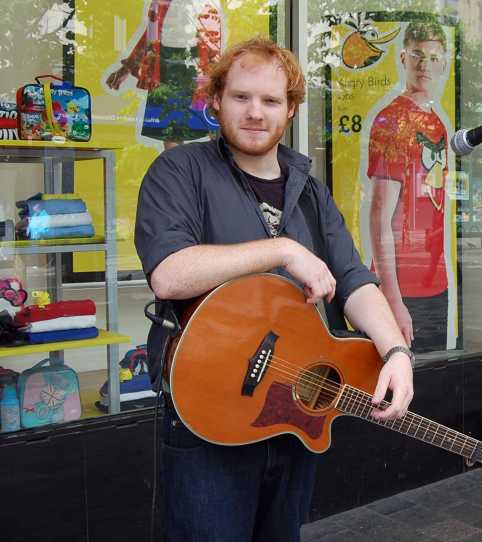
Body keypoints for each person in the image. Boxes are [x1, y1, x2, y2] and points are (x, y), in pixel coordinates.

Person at [134, 37, 414, 542]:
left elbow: (353, 279)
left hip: (289, 411)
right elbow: (169, 274)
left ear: (290, 109)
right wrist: (283, 250)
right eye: (241, 97)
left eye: (270, 101)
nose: (255, 112)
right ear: (215, 99)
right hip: (207, 417)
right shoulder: (180, 170)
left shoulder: (309, 188)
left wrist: (394, 350)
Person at [366, 21, 452, 353]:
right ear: (403, 57)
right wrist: (392, 298)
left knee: (435, 388)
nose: (424, 65)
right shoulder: (392, 121)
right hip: (403, 291)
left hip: (435, 283)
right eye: (417, 54)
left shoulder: (435, 121)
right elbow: (379, 217)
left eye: (433, 57)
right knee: (398, 393)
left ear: (443, 64)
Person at [105, 0, 223, 149]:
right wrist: (126, 69)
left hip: (197, 68)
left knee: (211, 127)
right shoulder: (161, 3)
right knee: (171, 134)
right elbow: (151, 35)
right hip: (166, 69)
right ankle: (176, 171)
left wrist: (218, 81)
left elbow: (213, 43)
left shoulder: (207, 4)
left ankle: (215, 169)